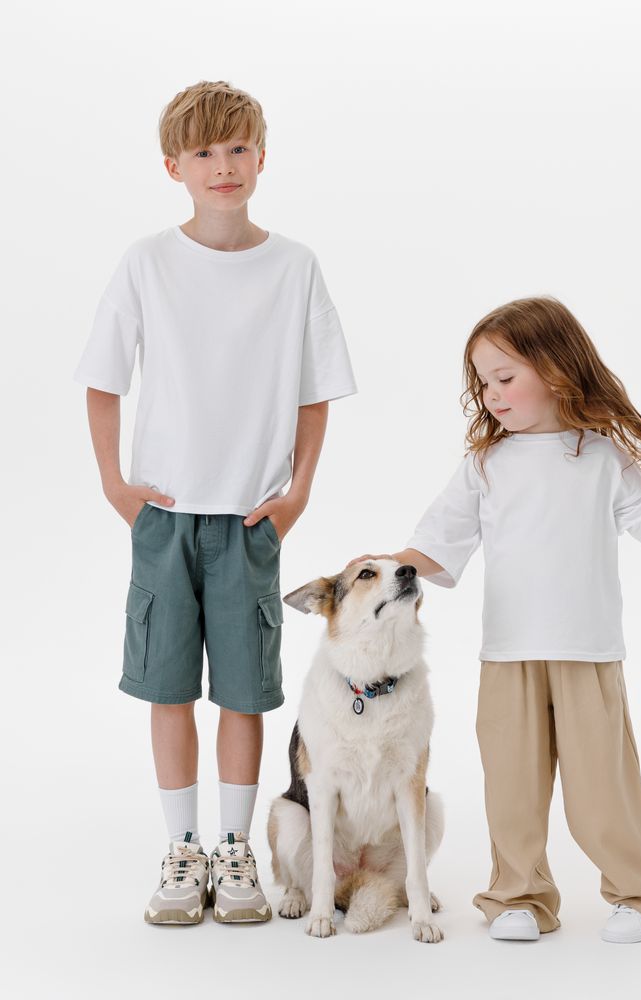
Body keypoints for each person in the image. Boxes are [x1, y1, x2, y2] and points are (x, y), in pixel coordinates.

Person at [74, 80, 357, 925]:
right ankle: (182, 848)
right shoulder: (148, 262)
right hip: (164, 517)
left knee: (243, 691)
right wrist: (116, 485)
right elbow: (102, 379)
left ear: (262, 158)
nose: (223, 166)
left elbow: (314, 391)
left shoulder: (294, 267)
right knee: (168, 688)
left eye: (237, 149)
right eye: (203, 152)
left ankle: (236, 849)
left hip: (248, 520)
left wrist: (297, 493)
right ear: (175, 167)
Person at [350, 296, 641, 943]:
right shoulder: (486, 463)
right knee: (511, 787)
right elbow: (438, 544)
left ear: (557, 370)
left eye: (504, 377)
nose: (492, 394)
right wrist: (385, 567)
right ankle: (518, 896)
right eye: (483, 383)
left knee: (601, 787)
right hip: (507, 652)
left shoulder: (602, 456)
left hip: (587, 650)